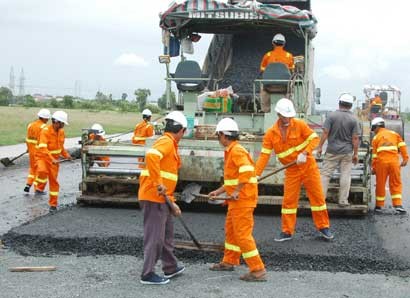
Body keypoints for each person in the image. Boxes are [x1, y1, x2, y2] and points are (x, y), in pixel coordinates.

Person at [255, 98, 333, 241]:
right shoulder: (271, 134)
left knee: (317, 198)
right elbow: (264, 157)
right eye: (285, 116)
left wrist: (305, 153)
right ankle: (287, 231)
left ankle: (323, 227)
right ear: (278, 114)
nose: (288, 119)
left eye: (290, 116)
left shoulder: (299, 124)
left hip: (308, 166)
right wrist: (256, 175)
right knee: (289, 202)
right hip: (292, 171)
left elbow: (314, 139)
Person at [208, 118, 266, 282]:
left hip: (243, 200)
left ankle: (258, 269)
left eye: (218, 135)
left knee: (242, 235)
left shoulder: (237, 151)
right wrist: (218, 192)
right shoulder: (231, 150)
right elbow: (231, 182)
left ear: (223, 135)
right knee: (232, 232)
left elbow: (247, 171)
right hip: (237, 201)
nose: (218, 139)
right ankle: (229, 261)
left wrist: (238, 191)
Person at [138, 111, 187, 285]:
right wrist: (158, 183)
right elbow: (151, 156)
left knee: (167, 235)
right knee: (155, 237)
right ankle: (147, 274)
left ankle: (170, 267)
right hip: (153, 197)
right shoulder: (166, 141)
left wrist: (172, 203)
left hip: (163, 199)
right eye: (184, 132)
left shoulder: (171, 144)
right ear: (181, 130)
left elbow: (168, 179)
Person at [318, 93, 359, 207]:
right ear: (350, 106)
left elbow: (325, 133)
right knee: (345, 175)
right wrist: (355, 154)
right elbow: (355, 138)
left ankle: (320, 200)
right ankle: (343, 201)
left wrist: (320, 146)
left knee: (325, 175)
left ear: (339, 103)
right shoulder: (354, 119)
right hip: (347, 152)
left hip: (332, 151)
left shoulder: (331, 116)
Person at [35, 111, 72, 212]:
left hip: (54, 162)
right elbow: (43, 148)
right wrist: (52, 159)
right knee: (42, 171)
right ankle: (39, 187)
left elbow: (61, 147)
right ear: (56, 122)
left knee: (54, 182)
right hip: (43, 158)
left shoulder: (61, 132)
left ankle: (53, 205)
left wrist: (67, 155)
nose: (63, 125)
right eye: (62, 123)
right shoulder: (45, 131)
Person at [371, 117, 408, 214]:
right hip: (394, 163)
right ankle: (398, 205)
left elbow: (374, 156)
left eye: (373, 129)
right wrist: (405, 158)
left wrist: (374, 168)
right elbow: (402, 146)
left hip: (381, 163)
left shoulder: (375, 138)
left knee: (380, 184)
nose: (373, 131)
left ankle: (379, 206)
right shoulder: (395, 134)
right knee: (396, 183)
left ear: (377, 127)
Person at [259, 33, 295, 112]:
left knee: (262, 88)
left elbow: (262, 70)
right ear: (284, 44)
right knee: (292, 88)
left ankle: (265, 109)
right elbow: (292, 71)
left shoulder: (267, 55)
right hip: (285, 87)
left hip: (269, 87)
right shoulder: (289, 56)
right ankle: (289, 108)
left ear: (273, 43)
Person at [24, 108, 51, 194]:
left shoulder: (30, 125)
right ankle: (37, 188)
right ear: (44, 118)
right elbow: (44, 142)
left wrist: (28, 148)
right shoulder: (44, 127)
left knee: (32, 168)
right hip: (39, 153)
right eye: (47, 118)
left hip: (31, 151)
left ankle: (28, 184)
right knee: (40, 170)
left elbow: (27, 139)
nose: (48, 120)